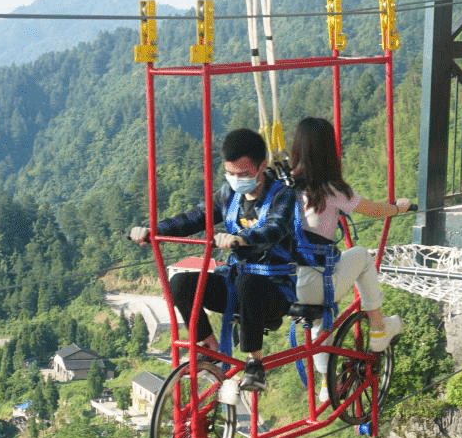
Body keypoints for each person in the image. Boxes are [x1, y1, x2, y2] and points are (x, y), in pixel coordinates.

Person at [129, 128, 296, 393]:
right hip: (236, 282)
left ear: (261, 167)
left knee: (248, 283)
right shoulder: (229, 195)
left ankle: (255, 363)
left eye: (243, 174)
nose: (236, 179)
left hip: (274, 288)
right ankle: (208, 347)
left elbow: (273, 230)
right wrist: (154, 231)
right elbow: (194, 217)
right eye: (231, 174)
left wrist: (241, 238)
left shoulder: (282, 196)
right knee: (180, 284)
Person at [287, 117, 405, 350]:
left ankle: (323, 384)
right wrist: (397, 208)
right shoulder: (330, 188)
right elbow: (373, 209)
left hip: (286, 286)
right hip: (317, 284)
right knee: (361, 255)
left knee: (320, 328)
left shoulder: (283, 187)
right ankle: (378, 325)